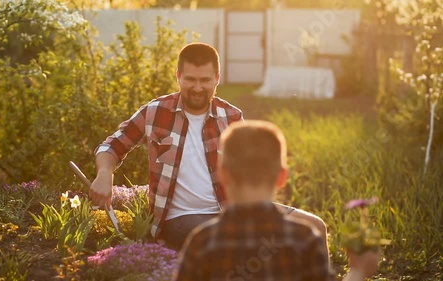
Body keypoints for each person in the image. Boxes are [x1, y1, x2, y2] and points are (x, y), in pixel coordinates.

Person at [89, 42, 327, 252]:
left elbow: (253, 169)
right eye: (190, 79)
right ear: (178, 76)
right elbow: (112, 146)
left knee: (315, 226)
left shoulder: (232, 117)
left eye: (205, 80)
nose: (197, 87)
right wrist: (104, 174)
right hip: (180, 219)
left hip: (234, 211)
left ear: (217, 78)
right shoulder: (155, 112)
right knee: (237, 241)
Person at [173, 120, 381, 281]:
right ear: (282, 177)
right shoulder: (304, 239)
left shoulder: (202, 242)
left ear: (223, 175)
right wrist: (357, 271)